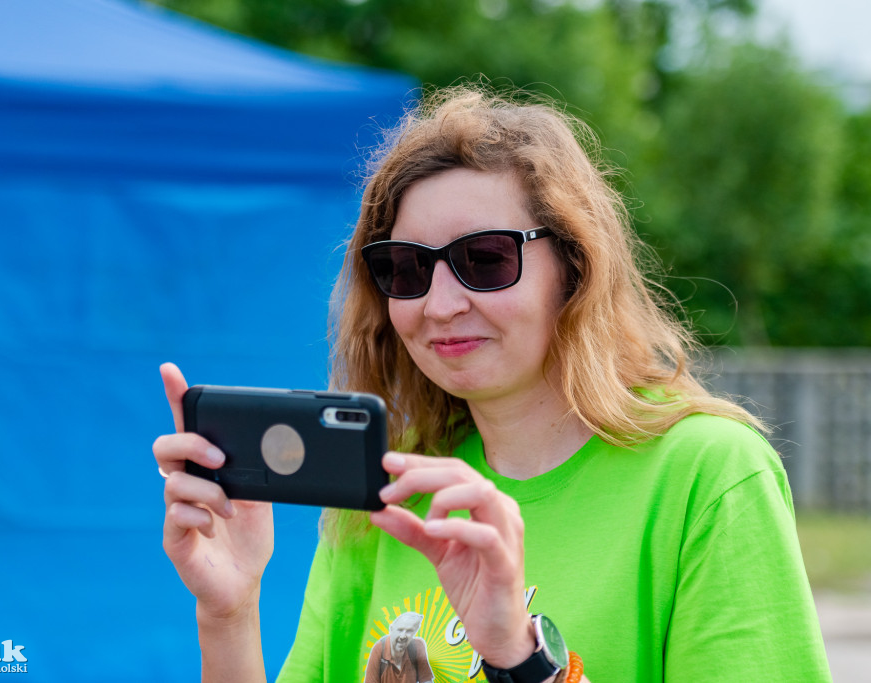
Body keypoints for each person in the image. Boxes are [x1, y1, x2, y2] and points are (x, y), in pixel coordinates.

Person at [153, 85, 832, 683]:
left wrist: (519, 656)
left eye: (485, 259)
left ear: (574, 266)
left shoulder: (707, 475)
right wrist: (229, 612)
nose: (439, 303)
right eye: (407, 269)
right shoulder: (387, 493)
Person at [364, 612, 434, 683]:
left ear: (414, 633)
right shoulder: (380, 649)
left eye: (409, 631)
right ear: (391, 629)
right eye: (400, 630)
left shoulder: (417, 646)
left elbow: (426, 680)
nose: (403, 636)